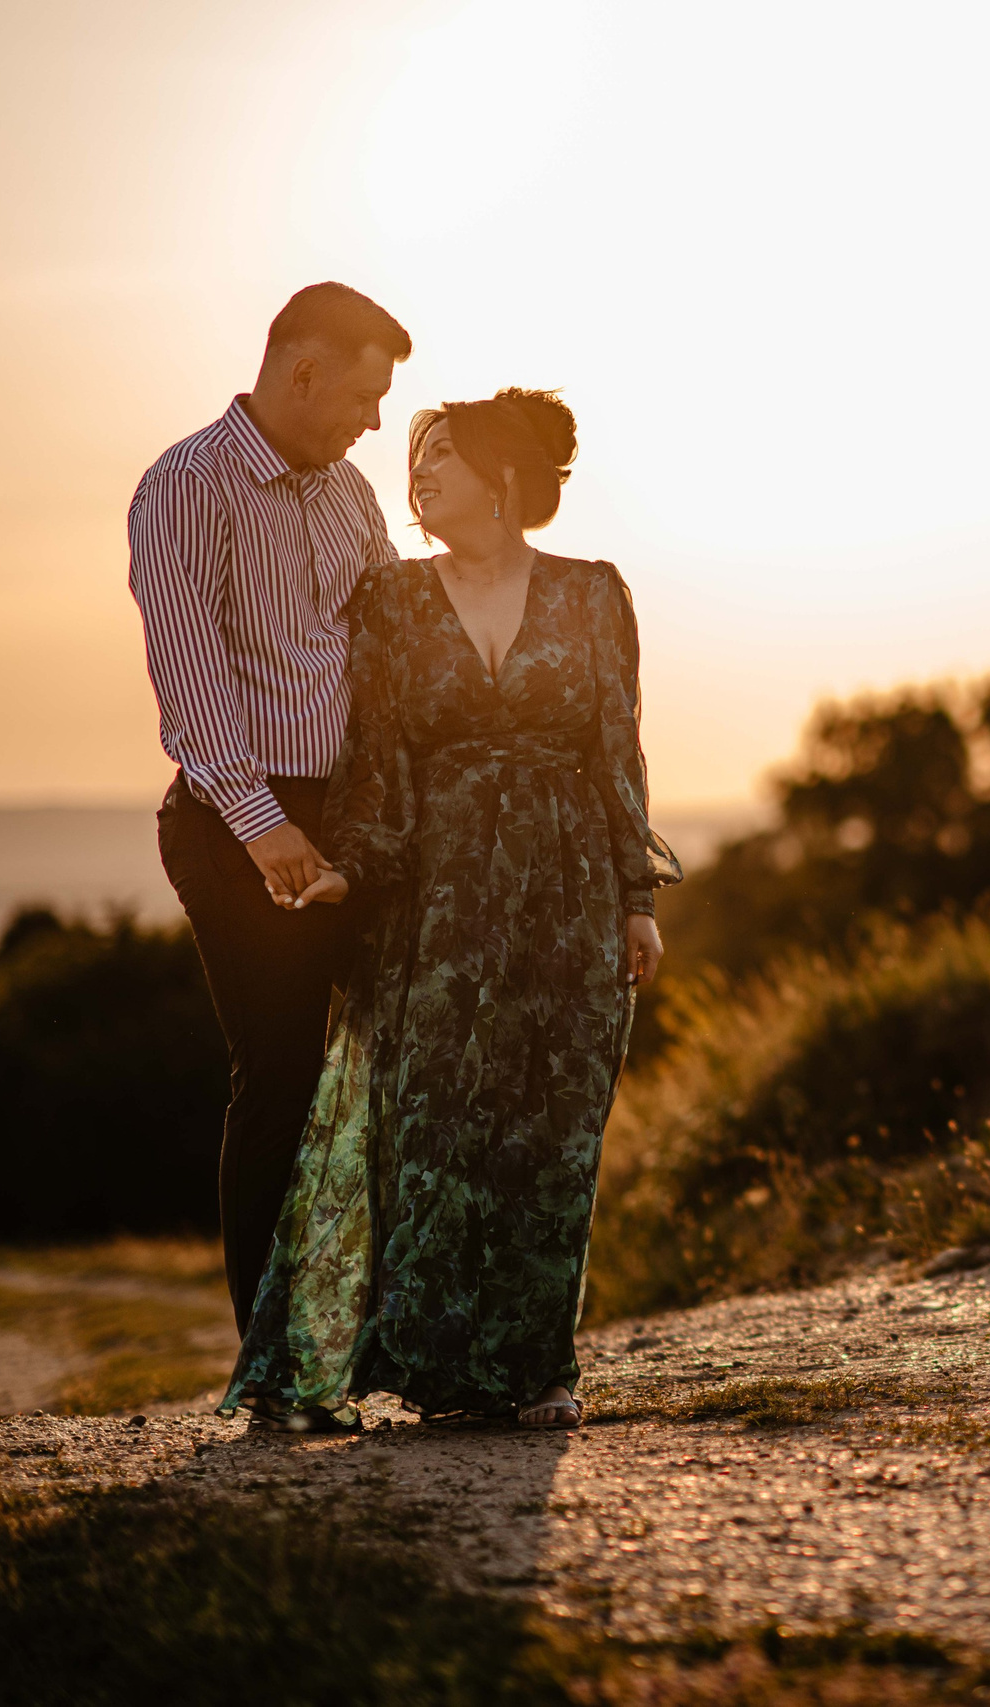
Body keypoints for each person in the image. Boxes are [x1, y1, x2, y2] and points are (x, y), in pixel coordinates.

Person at [221, 387, 680, 1431]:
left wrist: (634, 900)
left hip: (566, 893)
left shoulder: (595, 594)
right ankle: (437, 1369)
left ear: (503, 477)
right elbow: (376, 759)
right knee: (430, 1121)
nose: (418, 474)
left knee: (549, 1127)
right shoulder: (389, 602)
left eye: (442, 456)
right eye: (415, 458)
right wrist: (353, 869)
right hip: (433, 899)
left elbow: (619, 754)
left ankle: (535, 1366)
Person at [130, 282, 409, 1334]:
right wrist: (264, 829)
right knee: (284, 1073)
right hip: (233, 818)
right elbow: (190, 679)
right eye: (366, 393)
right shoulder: (186, 487)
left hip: (354, 816)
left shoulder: (352, 494)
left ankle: (387, 1335)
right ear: (302, 373)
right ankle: (277, 1360)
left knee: (395, 1064)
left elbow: (386, 656)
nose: (374, 419)